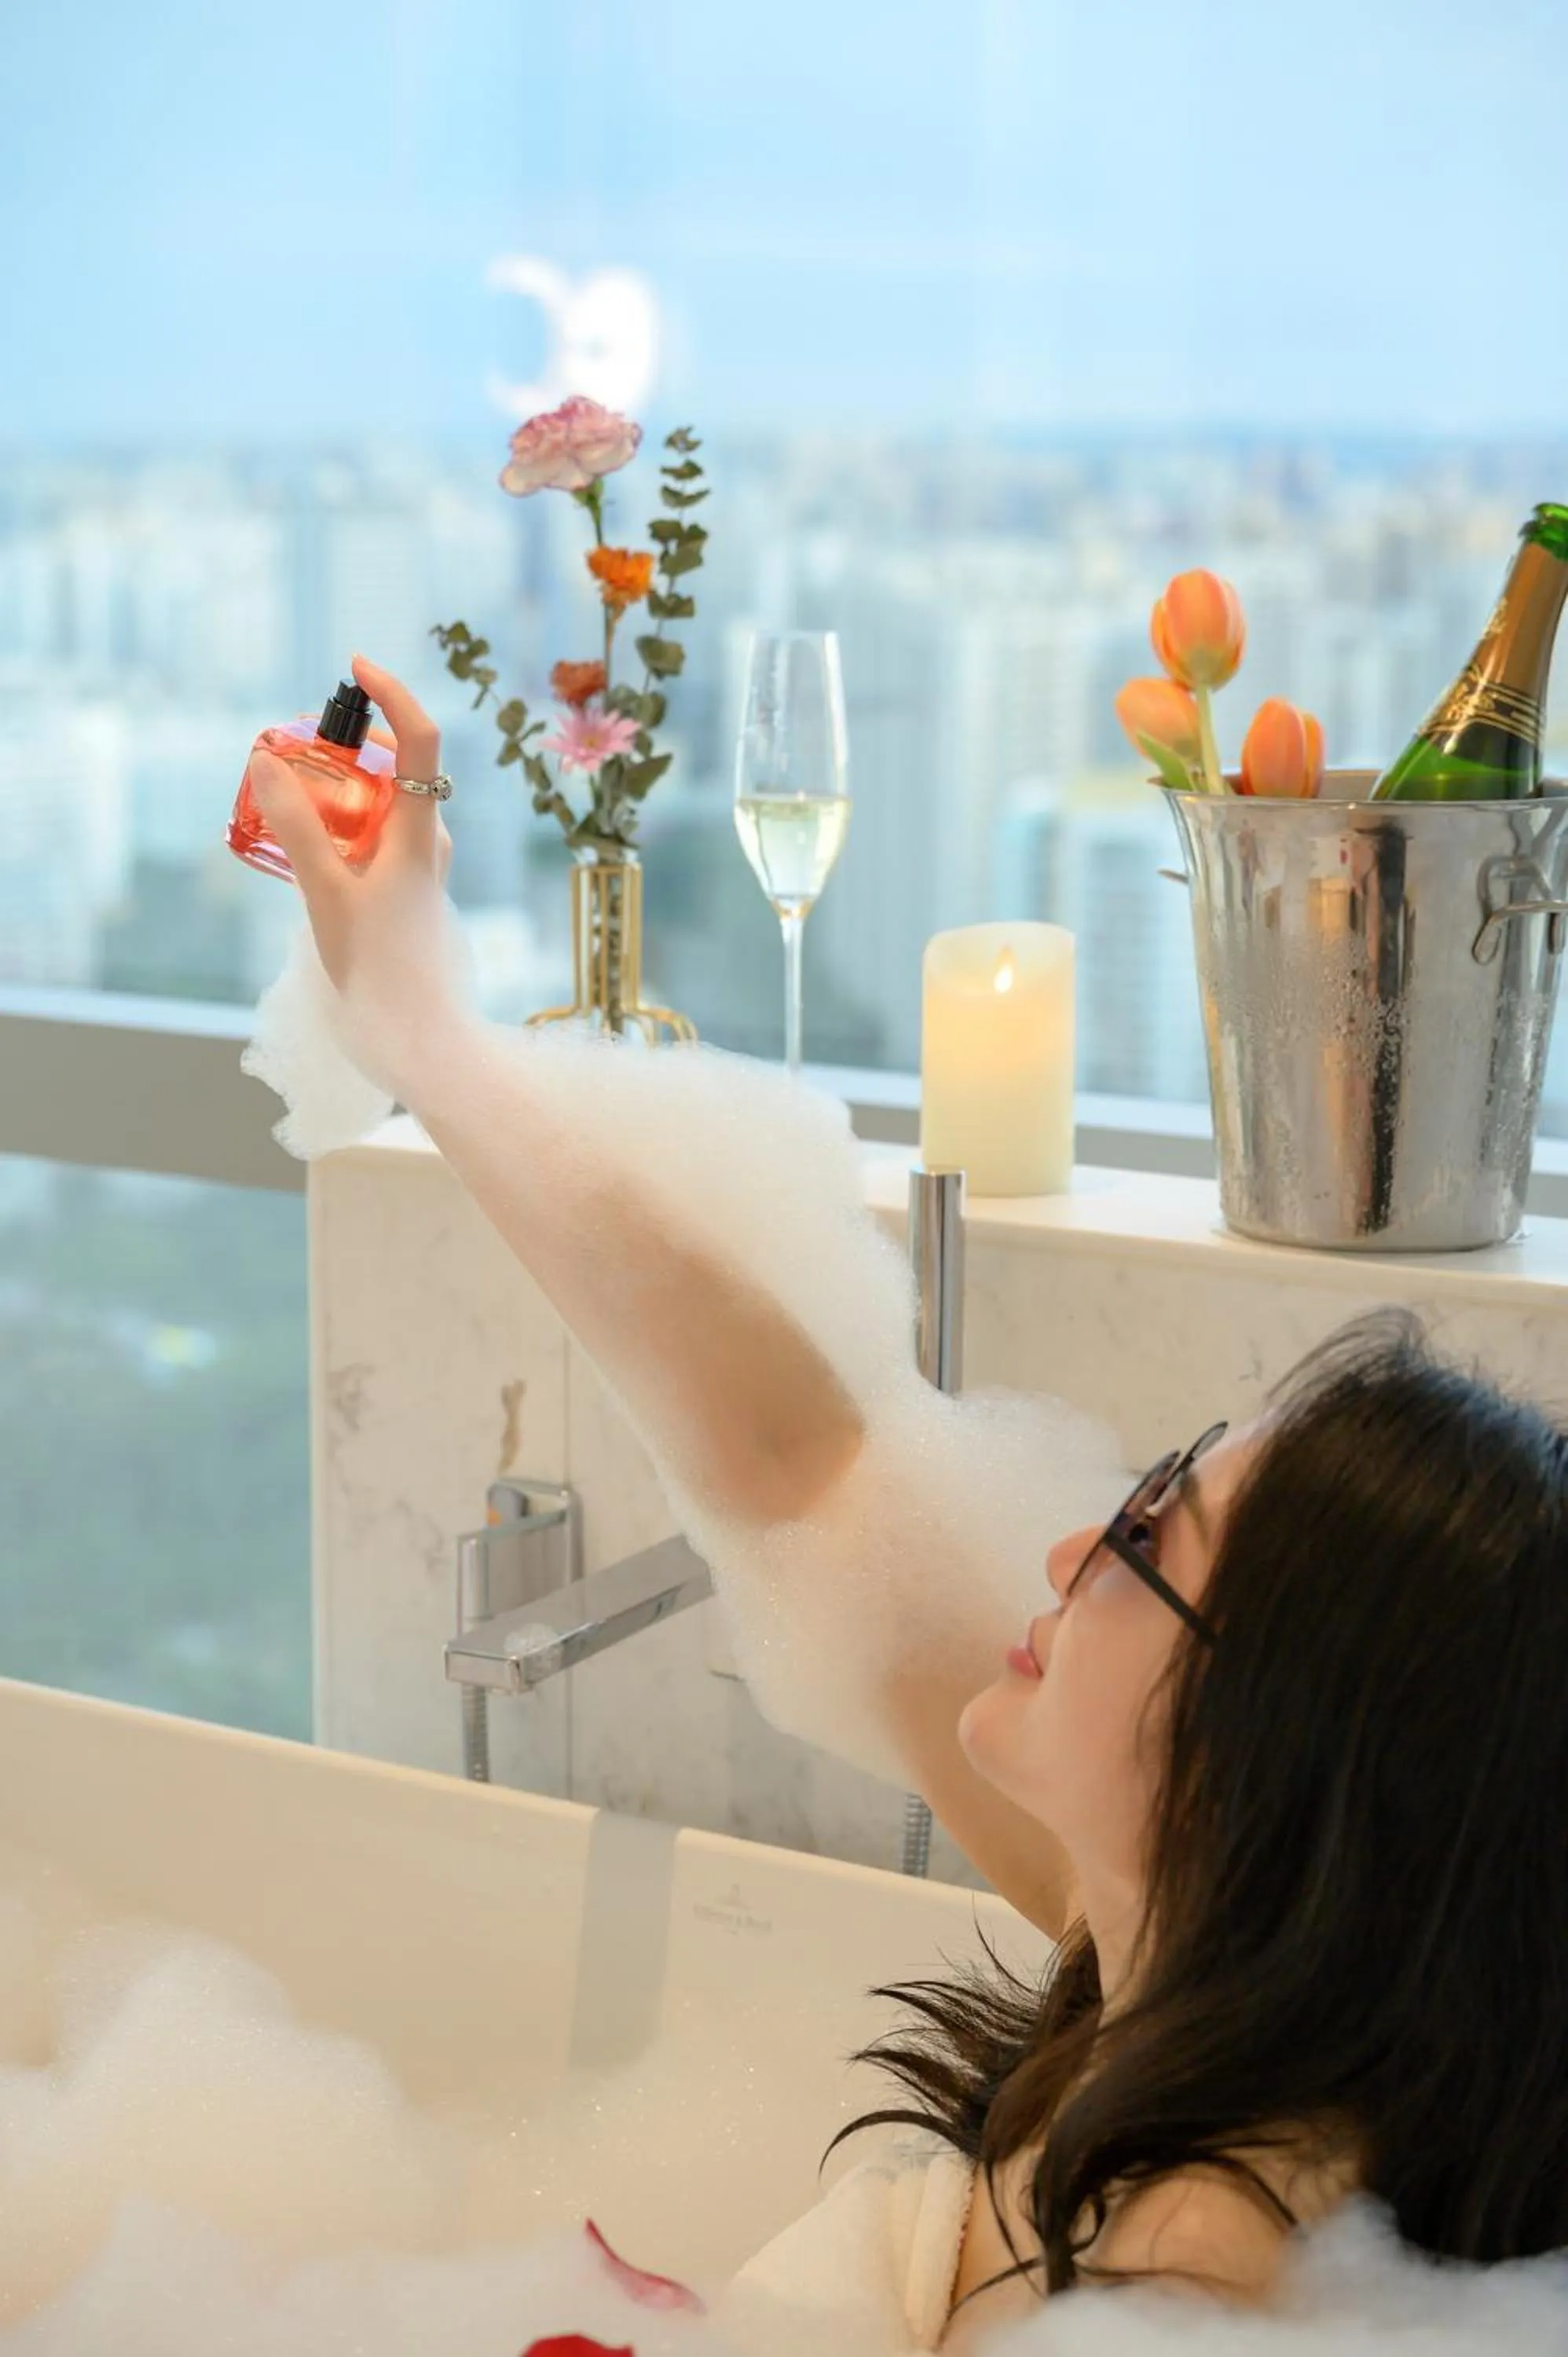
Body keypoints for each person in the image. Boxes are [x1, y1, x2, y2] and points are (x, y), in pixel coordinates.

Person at [247, 658, 1568, 2355]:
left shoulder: (1223, 2288)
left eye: (1146, 1540)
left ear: (1285, 1744)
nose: (1064, 1543)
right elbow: (800, 1460)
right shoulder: (1163, 1981)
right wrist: (419, 1030)